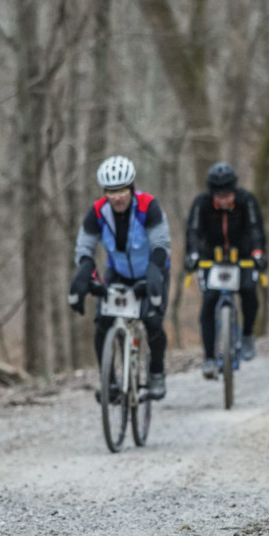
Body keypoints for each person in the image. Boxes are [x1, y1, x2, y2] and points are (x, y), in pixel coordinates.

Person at [68, 155, 171, 401]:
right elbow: (84, 249)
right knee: (102, 322)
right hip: (119, 273)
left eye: (122, 190)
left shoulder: (149, 206)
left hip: (152, 270)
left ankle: (156, 373)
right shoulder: (97, 212)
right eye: (111, 191)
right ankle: (109, 382)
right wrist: (85, 275)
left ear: (132, 188)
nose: (117, 197)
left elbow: (161, 245)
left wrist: (153, 275)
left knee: (153, 321)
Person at [184, 162, 267, 378]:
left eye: (228, 195)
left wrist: (258, 252)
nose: (224, 200)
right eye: (219, 196)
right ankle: (210, 358)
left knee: (249, 291)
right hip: (211, 258)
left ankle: (248, 334)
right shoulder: (201, 204)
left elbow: (256, 229)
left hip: (243, 257)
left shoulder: (246, 201)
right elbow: (192, 232)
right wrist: (192, 255)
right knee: (209, 300)